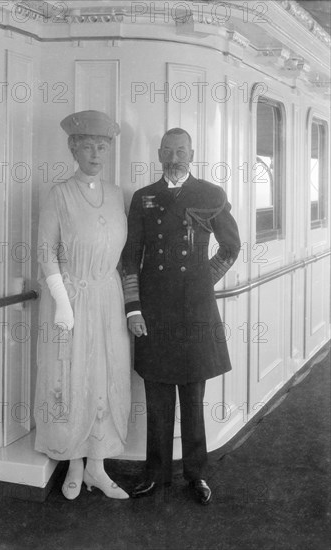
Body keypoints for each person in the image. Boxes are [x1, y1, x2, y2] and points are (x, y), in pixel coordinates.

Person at [122, 128, 241, 504]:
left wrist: (204, 280)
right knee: (157, 399)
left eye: (181, 151)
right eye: (168, 151)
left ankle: (196, 475)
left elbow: (231, 246)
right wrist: (133, 308)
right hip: (154, 309)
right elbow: (130, 258)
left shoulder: (210, 195)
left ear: (192, 152)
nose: (175, 158)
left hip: (194, 309)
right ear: (159, 154)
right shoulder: (144, 198)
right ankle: (154, 474)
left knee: (193, 397)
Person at [34, 110, 131, 500]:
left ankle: (98, 467)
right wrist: (61, 301)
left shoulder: (117, 193)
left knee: (106, 374)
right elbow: (45, 252)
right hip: (70, 299)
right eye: (87, 145)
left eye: (102, 145)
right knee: (70, 376)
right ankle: (73, 462)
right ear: (73, 148)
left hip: (108, 298)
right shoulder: (59, 193)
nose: (95, 152)